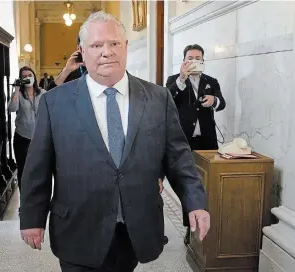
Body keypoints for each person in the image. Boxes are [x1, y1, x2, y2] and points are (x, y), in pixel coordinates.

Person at [20, 12, 210, 272]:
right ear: (82, 52)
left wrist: (195, 202)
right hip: (78, 228)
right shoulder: (55, 102)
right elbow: (37, 167)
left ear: (126, 47)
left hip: (135, 228)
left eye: (114, 44)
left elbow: (179, 157)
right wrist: (32, 217)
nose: (106, 52)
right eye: (96, 45)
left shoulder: (157, 98)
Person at [166, 44, 225, 245]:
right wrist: (182, 78)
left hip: (208, 141)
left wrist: (214, 100)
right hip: (184, 141)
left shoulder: (211, 81)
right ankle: (188, 227)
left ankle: (207, 222)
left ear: (203, 60)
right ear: (184, 60)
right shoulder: (174, 80)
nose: (194, 61)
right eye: (190, 58)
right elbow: (168, 99)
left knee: (207, 183)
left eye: (198, 58)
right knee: (188, 185)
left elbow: (222, 102)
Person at [8, 66, 46, 193]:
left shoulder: (42, 93)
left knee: (39, 170)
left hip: (39, 138)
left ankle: (37, 200)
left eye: (29, 75)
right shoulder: (18, 94)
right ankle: (24, 201)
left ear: (34, 76)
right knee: (23, 170)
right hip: (22, 137)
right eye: (24, 76)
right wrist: (17, 89)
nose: (27, 78)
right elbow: (12, 108)